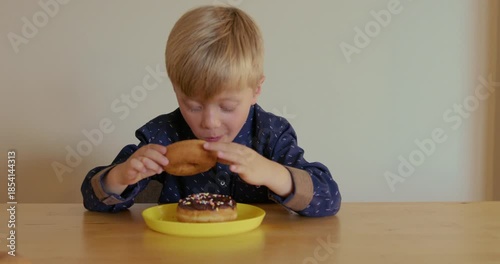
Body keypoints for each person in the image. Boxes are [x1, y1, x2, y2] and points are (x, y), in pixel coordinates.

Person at [81, 5, 341, 217]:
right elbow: (92, 199)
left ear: (255, 90)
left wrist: (274, 173)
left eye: (227, 107)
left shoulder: (270, 133)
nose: (210, 122)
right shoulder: (163, 134)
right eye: (193, 106)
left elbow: (330, 199)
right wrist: (121, 175)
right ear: (176, 90)